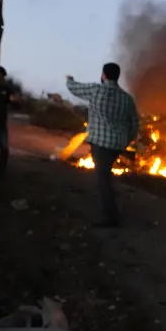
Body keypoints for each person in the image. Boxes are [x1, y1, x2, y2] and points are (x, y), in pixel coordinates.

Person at [66, 62, 140, 228]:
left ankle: (110, 218)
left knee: (103, 179)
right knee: (106, 174)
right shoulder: (127, 99)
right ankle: (112, 205)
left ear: (104, 75)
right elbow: (134, 123)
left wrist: (69, 79)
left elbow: (75, 88)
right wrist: (128, 139)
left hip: (100, 143)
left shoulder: (96, 90)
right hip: (118, 144)